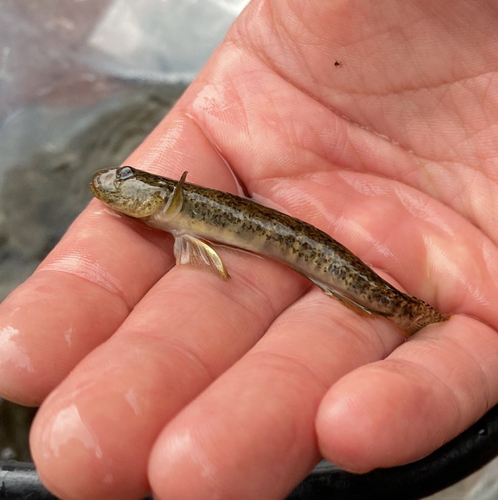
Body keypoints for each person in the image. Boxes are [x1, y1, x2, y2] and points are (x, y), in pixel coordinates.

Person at [2, 0, 498, 498]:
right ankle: (408, 314)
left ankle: (411, 314)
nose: (114, 185)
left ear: (160, 197)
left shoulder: (175, 209)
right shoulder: (172, 211)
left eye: (124, 183)